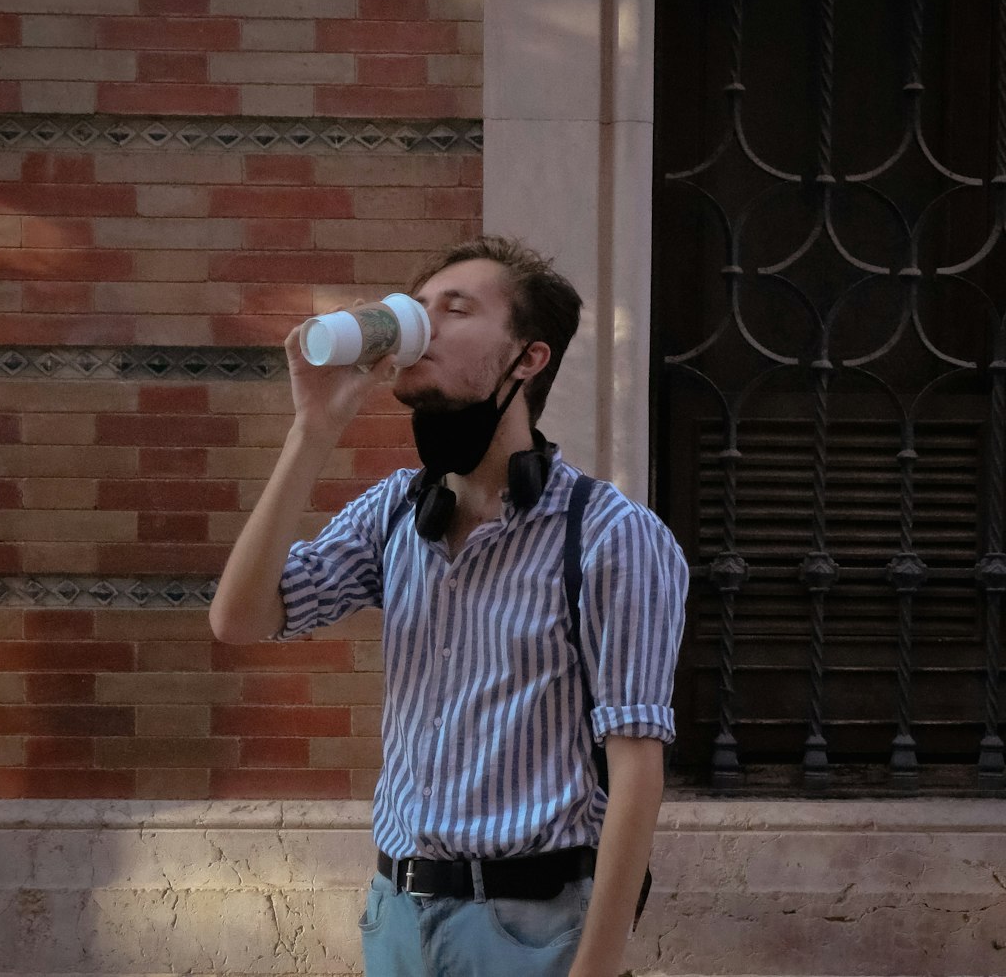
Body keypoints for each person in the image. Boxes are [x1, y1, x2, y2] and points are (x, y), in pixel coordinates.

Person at [209, 235, 688, 977]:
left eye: (454, 309)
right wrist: (314, 429)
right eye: (419, 307)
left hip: (534, 931)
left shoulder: (612, 536)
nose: (422, 325)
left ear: (529, 358)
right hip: (397, 917)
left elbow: (637, 772)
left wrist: (593, 970)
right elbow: (238, 620)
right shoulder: (392, 514)